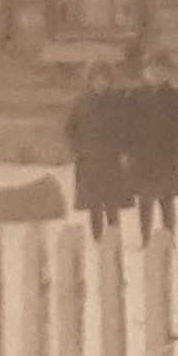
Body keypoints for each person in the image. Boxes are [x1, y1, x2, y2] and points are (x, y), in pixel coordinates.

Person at [124, 52, 178, 242]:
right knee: (145, 201)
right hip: (142, 156)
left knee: (167, 200)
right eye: (152, 69)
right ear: (144, 72)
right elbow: (126, 126)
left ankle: (168, 237)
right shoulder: (135, 96)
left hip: (167, 157)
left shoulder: (175, 97)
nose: (156, 74)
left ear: (168, 72)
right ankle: (146, 238)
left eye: (161, 70)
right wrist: (128, 150)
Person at [67, 58, 131, 241]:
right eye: (96, 79)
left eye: (104, 79)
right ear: (89, 80)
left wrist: (123, 149)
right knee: (93, 203)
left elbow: (126, 128)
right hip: (89, 160)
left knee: (112, 202)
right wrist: (78, 149)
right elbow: (70, 129)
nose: (100, 83)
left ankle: (114, 236)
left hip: (111, 159)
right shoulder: (82, 103)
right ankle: (97, 237)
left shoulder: (118, 102)